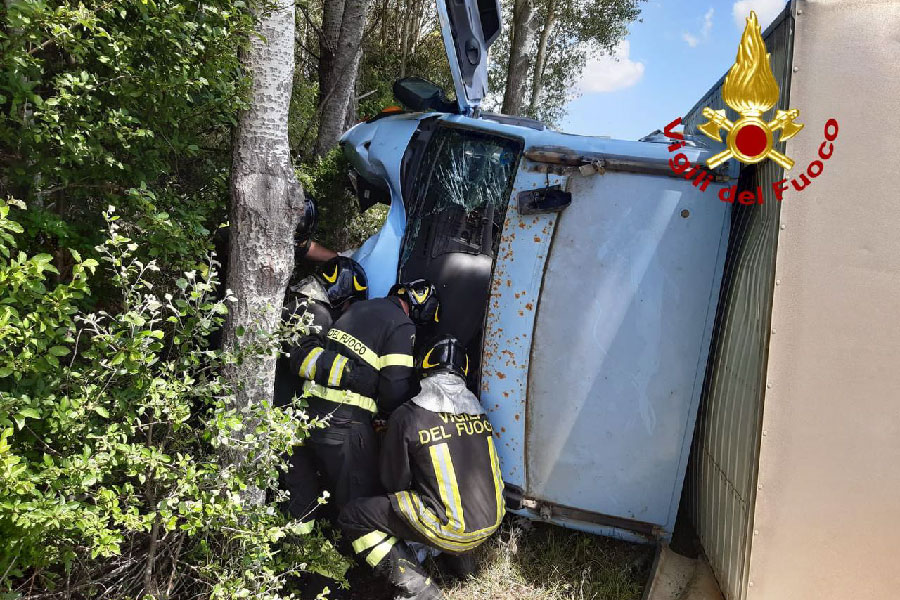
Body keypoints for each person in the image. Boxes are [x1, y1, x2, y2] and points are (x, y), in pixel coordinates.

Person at [336, 335, 505, 600]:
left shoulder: (408, 415)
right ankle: (465, 568)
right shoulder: (480, 413)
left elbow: (394, 483)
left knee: (353, 515)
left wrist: (388, 438)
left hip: (454, 531)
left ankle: (419, 589)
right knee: (451, 502)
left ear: (423, 367)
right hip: (490, 523)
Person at [289, 279, 441, 512]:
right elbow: (394, 389)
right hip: (346, 424)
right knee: (358, 505)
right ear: (424, 309)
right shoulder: (402, 325)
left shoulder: (360, 308)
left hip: (310, 416)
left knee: (315, 498)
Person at [274, 256, 371, 523]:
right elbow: (304, 359)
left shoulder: (298, 302)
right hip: (283, 417)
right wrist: (353, 373)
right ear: (342, 293)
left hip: (281, 412)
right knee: (301, 492)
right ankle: (297, 542)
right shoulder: (315, 311)